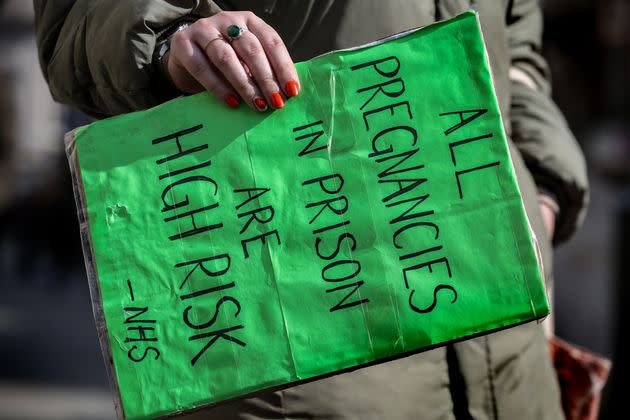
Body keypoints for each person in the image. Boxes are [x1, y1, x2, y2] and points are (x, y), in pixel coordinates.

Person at [34, 1, 589, 418]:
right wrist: (170, 41)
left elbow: (515, 45)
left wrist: (542, 187)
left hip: (510, 349)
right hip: (302, 354)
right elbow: (80, 20)